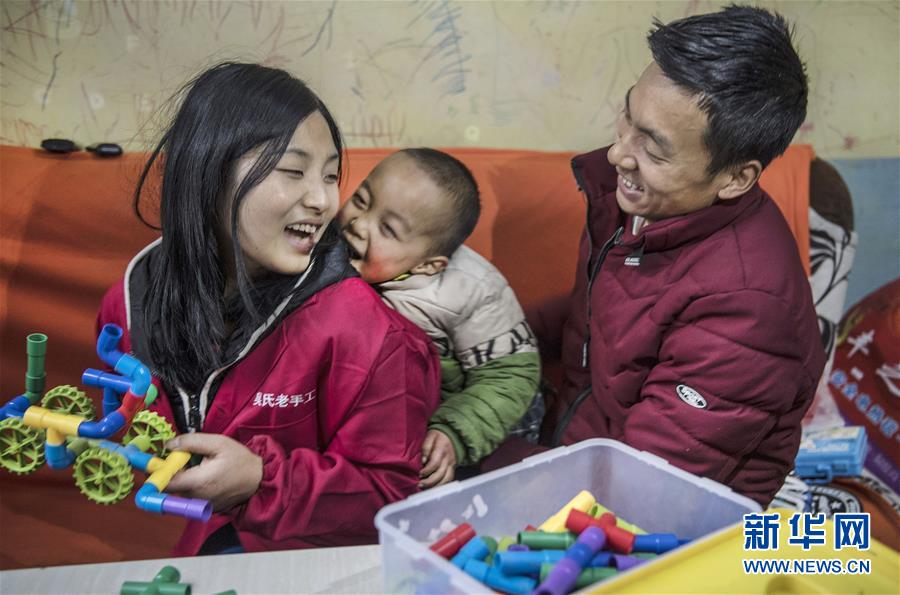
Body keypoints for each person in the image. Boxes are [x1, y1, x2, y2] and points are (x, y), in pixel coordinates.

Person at [96, 62, 440, 555]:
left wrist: (262, 479)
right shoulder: (129, 304)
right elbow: (128, 426)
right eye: (293, 171)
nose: (323, 200)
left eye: (330, 176)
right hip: (203, 549)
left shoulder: (371, 334)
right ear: (207, 173)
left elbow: (393, 496)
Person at [540, 5, 826, 506]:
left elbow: (645, 484)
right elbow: (606, 313)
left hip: (665, 514)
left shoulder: (749, 308)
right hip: (583, 442)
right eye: (628, 117)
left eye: (653, 149)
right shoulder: (642, 201)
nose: (617, 154)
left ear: (735, 177)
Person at [337, 148, 542, 488]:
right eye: (361, 200)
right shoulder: (327, 247)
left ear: (428, 265)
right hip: (390, 411)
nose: (358, 224)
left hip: (481, 412)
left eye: (387, 229)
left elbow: (509, 377)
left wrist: (453, 435)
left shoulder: (471, 290)